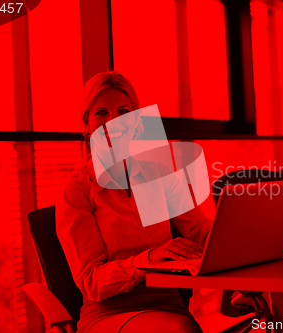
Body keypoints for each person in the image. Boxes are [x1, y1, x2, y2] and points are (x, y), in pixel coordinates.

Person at [56, 71, 211, 333]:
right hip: (109, 314)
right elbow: (91, 282)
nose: (113, 122)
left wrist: (254, 239)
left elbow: (201, 232)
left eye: (123, 112)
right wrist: (148, 259)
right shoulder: (77, 189)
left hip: (170, 305)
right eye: (101, 113)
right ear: (87, 126)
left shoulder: (160, 174)